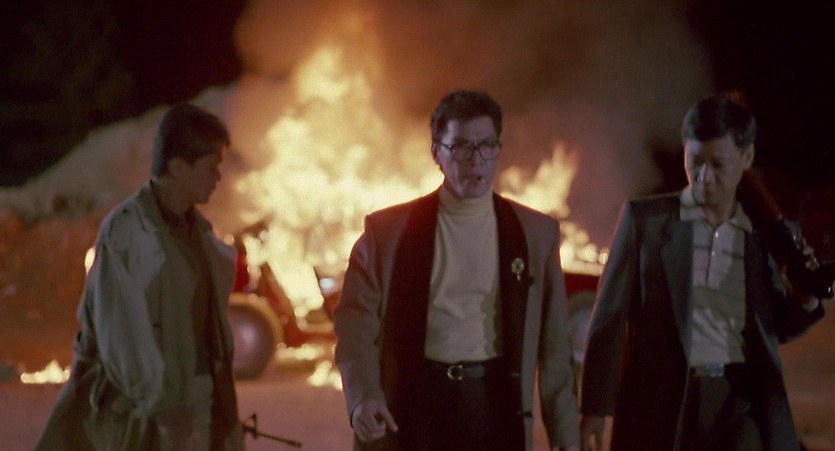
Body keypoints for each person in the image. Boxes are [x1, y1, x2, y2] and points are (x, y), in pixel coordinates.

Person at [579, 91, 832, 451]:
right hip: (662, 402)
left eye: (718, 164)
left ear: (747, 158)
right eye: (695, 161)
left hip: (739, 400)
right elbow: (608, 320)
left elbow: (774, 327)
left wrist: (804, 299)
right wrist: (594, 408)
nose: (703, 177)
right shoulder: (646, 224)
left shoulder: (764, 236)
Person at [333, 89, 580, 451]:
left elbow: (555, 347)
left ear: (498, 149)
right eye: (461, 146)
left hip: (494, 402)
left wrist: (566, 438)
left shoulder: (535, 234)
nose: (475, 159)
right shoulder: (387, 233)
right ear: (437, 152)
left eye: (486, 146)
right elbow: (355, 323)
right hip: (414, 402)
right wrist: (364, 397)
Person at [36, 103, 244, 450]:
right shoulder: (128, 234)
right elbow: (123, 336)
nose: (218, 178)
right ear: (178, 167)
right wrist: (165, 410)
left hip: (195, 408)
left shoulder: (199, 235)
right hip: (143, 417)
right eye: (211, 167)